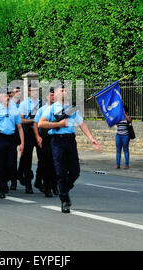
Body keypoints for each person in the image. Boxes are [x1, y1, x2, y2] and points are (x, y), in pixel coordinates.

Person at [39, 84, 99, 213]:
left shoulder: (72, 109)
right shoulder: (51, 108)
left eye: (65, 90)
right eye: (61, 90)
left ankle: (64, 189)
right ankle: (64, 200)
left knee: (75, 171)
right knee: (60, 172)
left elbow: (81, 123)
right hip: (57, 141)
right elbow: (41, 123)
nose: (64, 92)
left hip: (70, 141)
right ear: (55, 94)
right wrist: (58, 124)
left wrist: (91, 138)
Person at [0, 89, 24, 199]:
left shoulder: (14, 111)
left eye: (8, 96)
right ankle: (1, 187)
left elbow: (20, 128)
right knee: (0, 164)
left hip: (11, 139)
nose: (7, 98)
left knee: (11, 164)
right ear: (0, 98)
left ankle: (5, 180)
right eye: (4, 96)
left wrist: (22, 143)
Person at [18, 85, 42, 194]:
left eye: (36, 90)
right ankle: (28, 184)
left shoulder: (42, 103)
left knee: (43, 158)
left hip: (40, 133)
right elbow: (21, 120)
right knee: (27, 159)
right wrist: (33, 121)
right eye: (33, 90)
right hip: (28, 133)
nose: (35, 92)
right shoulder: (24, 104)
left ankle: (39, 180)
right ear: (28, 92)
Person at [33, 87, 57, 197]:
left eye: (54, 94)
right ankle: (47, 187)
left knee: (55, 163)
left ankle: (55, 186)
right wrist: (38, 137)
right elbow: (35, 124)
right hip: (45, 137)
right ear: (47, 97)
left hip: (56, 137)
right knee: (46, 162)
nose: (53, 97)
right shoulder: (42, 109)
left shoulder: (59, 108)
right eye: (51, 95)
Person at [115, 105, 133, 169]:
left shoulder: (127, 117)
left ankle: (127, 165)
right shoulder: (118, 116)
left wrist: (124, 114)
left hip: (125, 135)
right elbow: (114, 122)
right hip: (118, 135)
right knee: (118, 150)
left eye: (123, 109)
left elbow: (130, 121)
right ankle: (117, 165)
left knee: (126, 150)